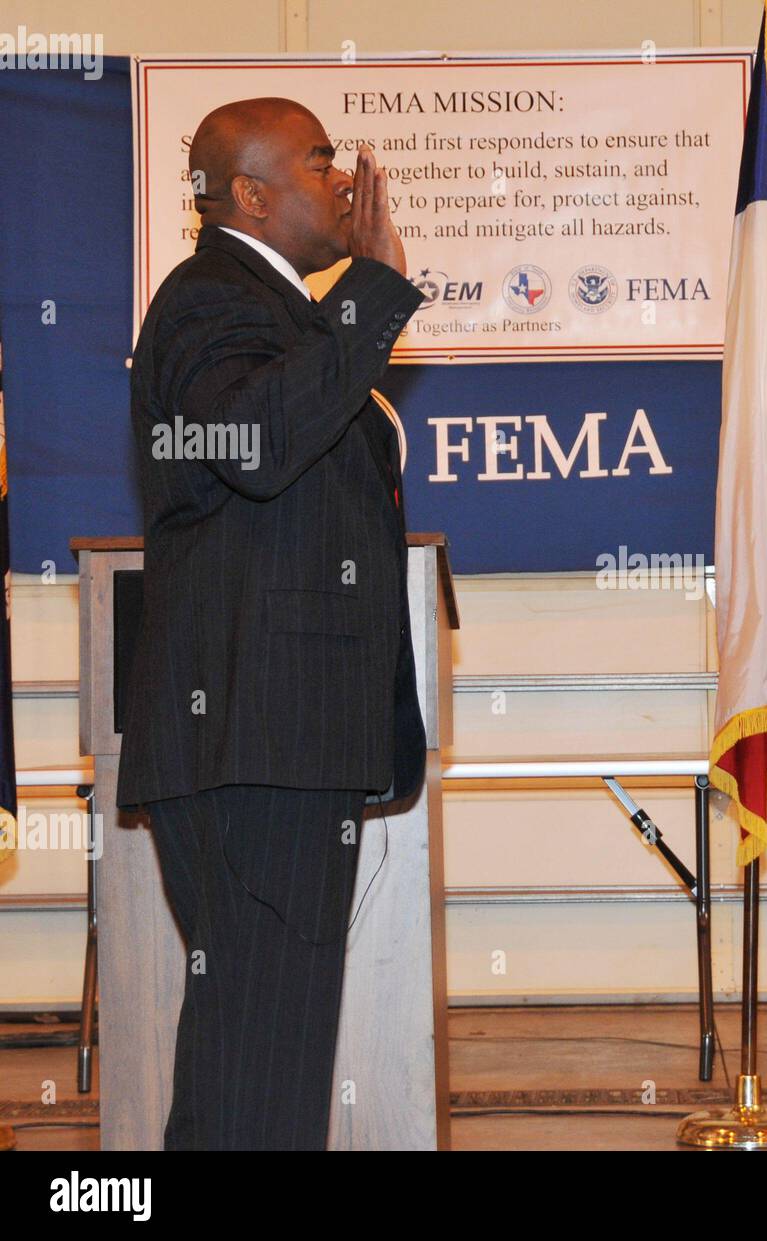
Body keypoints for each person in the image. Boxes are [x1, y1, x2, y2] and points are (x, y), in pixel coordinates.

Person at [117, 97, 427, 1150]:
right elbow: (251, 442)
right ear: (250, 192)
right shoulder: (210, 296)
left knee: (252, 1055)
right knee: (260, 1065)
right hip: (258, 738)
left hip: (270, 737)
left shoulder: (279, 312)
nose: (342, 178)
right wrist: (375, 293)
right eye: (317, 161)